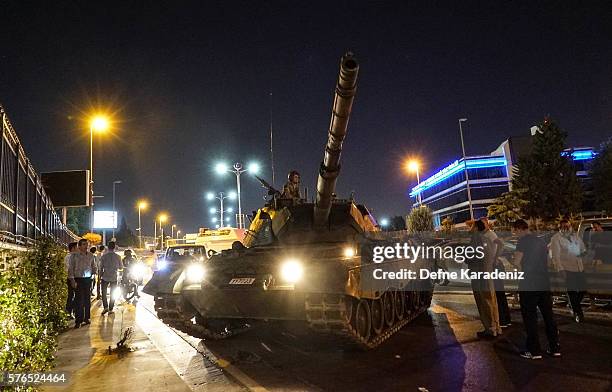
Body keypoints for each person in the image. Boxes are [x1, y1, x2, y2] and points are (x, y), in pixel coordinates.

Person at [511, 219, 560, 359]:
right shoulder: (541, 241)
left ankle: (534, 351)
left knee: (530, 317)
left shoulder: (522, 242)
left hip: (528, 284)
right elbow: (548, 261)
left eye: (515, 231)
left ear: (520, 228)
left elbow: (516, 262)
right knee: (548, 316)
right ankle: (555, 347)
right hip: (543, 282)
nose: (514, 234)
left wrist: (516, 265)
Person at [469, 220, 502, 338]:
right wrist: (494, 259)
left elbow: (472, 256)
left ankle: (490, 328)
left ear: (477, 228)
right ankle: (496, 327)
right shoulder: (486, 238)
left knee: (483, 301)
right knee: (492, 300)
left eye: (472, 226)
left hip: (479, 274)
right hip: (487, 271)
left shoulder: (476, 239)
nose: (470, 228)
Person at [550, 219, 587, 323]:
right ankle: (578, 313)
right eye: (563, 227)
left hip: (579, 267)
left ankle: (573, 305)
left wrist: (582, 254)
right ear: (560, 228)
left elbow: (583, 249)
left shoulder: (575, 236)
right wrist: (560, 270)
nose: (566, 228)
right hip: (567, 268)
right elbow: (555, 257)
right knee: (572, 292)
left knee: (583, 289)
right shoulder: (556, 238)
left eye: (568, 226)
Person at [480, 217, 512, 328]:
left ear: (487, 224)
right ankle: (505, 319)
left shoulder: (490, 234)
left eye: (483, 224)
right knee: (498, 294)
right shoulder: (486, 235)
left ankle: (503, 320)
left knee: (498, 294)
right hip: (493, 266)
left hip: (494, 267)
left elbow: (501, 244)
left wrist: (495, 258)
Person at [68, 239, 96, 328]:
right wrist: (72, 280)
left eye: (87, 244)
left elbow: (93, 266)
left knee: (87, 300)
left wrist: (93, 273)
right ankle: (78, 320)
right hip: (78, 279)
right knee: (79, 300)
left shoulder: (91, 255)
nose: (86, 246)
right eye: (84, 244)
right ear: (79, 246)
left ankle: (87, 318)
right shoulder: (74, 256)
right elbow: (71, 268)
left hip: (87, 279)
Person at [99, 241, 123, 315]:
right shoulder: (118, 257)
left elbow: (101, 267)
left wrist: (100, 276)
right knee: (113, 293)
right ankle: (110, 309)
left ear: (107, 247)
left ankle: (105, 307)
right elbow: (121, 267)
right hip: (114, 277)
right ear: (114, 247)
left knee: (104, 293)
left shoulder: (103, 256)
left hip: (105, 276)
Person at [64, 242, 78, 318]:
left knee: (73, 295)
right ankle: (69, 311)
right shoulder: (69, 257)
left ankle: (71, 311)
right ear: (73, 248)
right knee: (72, 295)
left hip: (73, 278)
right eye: (77, 247)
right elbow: (69, 269)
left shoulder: (74, 256)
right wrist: (73, 280)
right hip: (71, 278)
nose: (78, 248)